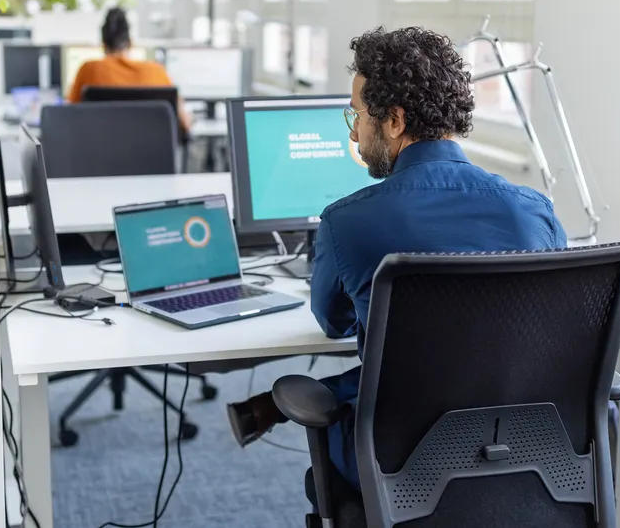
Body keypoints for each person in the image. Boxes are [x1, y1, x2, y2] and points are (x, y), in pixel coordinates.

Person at [226, 26, 568, 493]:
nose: (355, 132)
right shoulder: (535, 211)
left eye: (358, 116)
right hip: (530, 453)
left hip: (399, 459)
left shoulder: (348, 222)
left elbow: (336, 324)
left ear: (394, 121)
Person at [66, 8, 193, 131]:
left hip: (99, 151)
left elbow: (69, 117)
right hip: (150, 152)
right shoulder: (156, 71)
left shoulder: (89, 69)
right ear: (131, 43)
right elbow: (185, 124)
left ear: (103, 45)